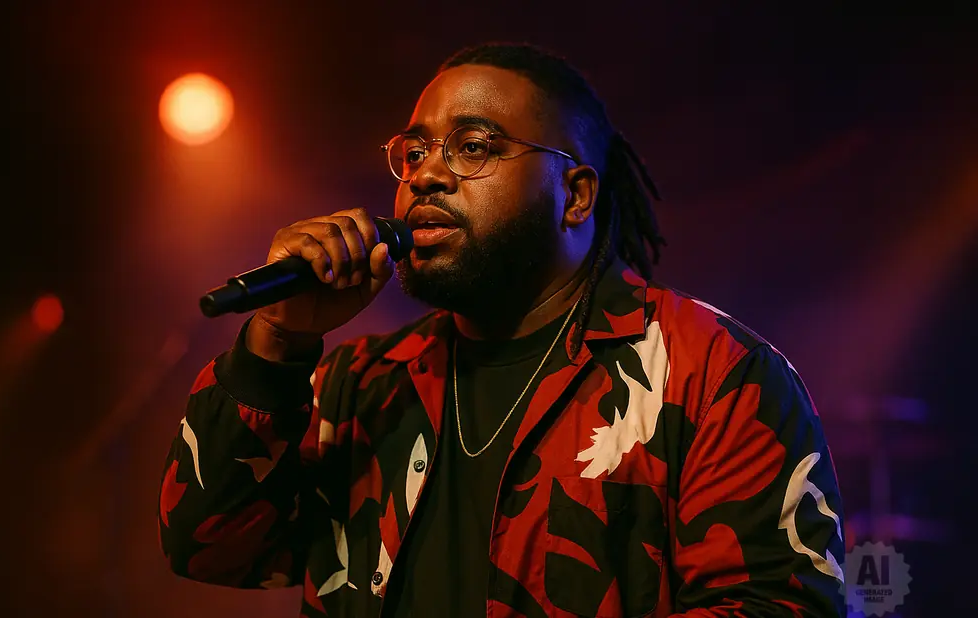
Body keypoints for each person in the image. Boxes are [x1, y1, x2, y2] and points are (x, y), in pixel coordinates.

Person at [158, 42, 847, 617]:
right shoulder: (360, 382)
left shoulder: (714, 374)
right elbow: (210, 546)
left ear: (574, 196)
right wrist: (278, 343)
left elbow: (778, 605)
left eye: (473, 146)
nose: (427, 174)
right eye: (415, 150)